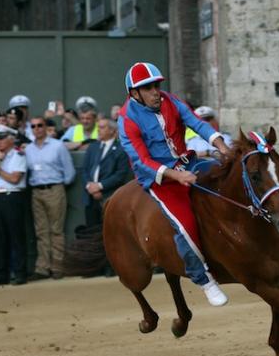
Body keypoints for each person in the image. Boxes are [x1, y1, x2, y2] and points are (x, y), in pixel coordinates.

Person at [117, 62, 232, 307]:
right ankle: (204, 280)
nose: (155, 92)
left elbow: (197, 123)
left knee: (226, 184)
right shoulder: (127, 119)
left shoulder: (171, 100)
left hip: (188, 162)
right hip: (159, 179)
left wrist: (221, 145)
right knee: (185, 225)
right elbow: (141, 160)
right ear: (134, 93)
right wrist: (175, 175)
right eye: (147, 88)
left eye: (156, 85)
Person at [25, 116, 76, 281]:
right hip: (36, 191)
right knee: (41, 231)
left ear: (46, 127)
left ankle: (57, 267)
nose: (37, 128)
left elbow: (69, 172)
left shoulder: (57, 145)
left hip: (54, 188)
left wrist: (59, 185)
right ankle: (42, 267)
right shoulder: (28, 149)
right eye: (33, 126)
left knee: (56, 230)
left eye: (40, 125)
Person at [0, 125, 28, 286]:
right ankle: (1, 274)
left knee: (16, 236)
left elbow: (15, 179)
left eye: (2, 138)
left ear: (11, 139)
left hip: (13, 195)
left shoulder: (18, 155)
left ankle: (19, 273)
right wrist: (0, 161)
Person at [82, 118, 130, 227]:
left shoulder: (120, 149)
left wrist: (99, 186)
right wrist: (91, 187)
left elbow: (120, 175)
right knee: (91, 231)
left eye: (102, 127)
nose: (99, 130)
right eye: (98, 127)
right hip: (90, 197)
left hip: (109, 196)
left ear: (112, 130)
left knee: (111, 230)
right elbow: (85, 170)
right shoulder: (93, 147)